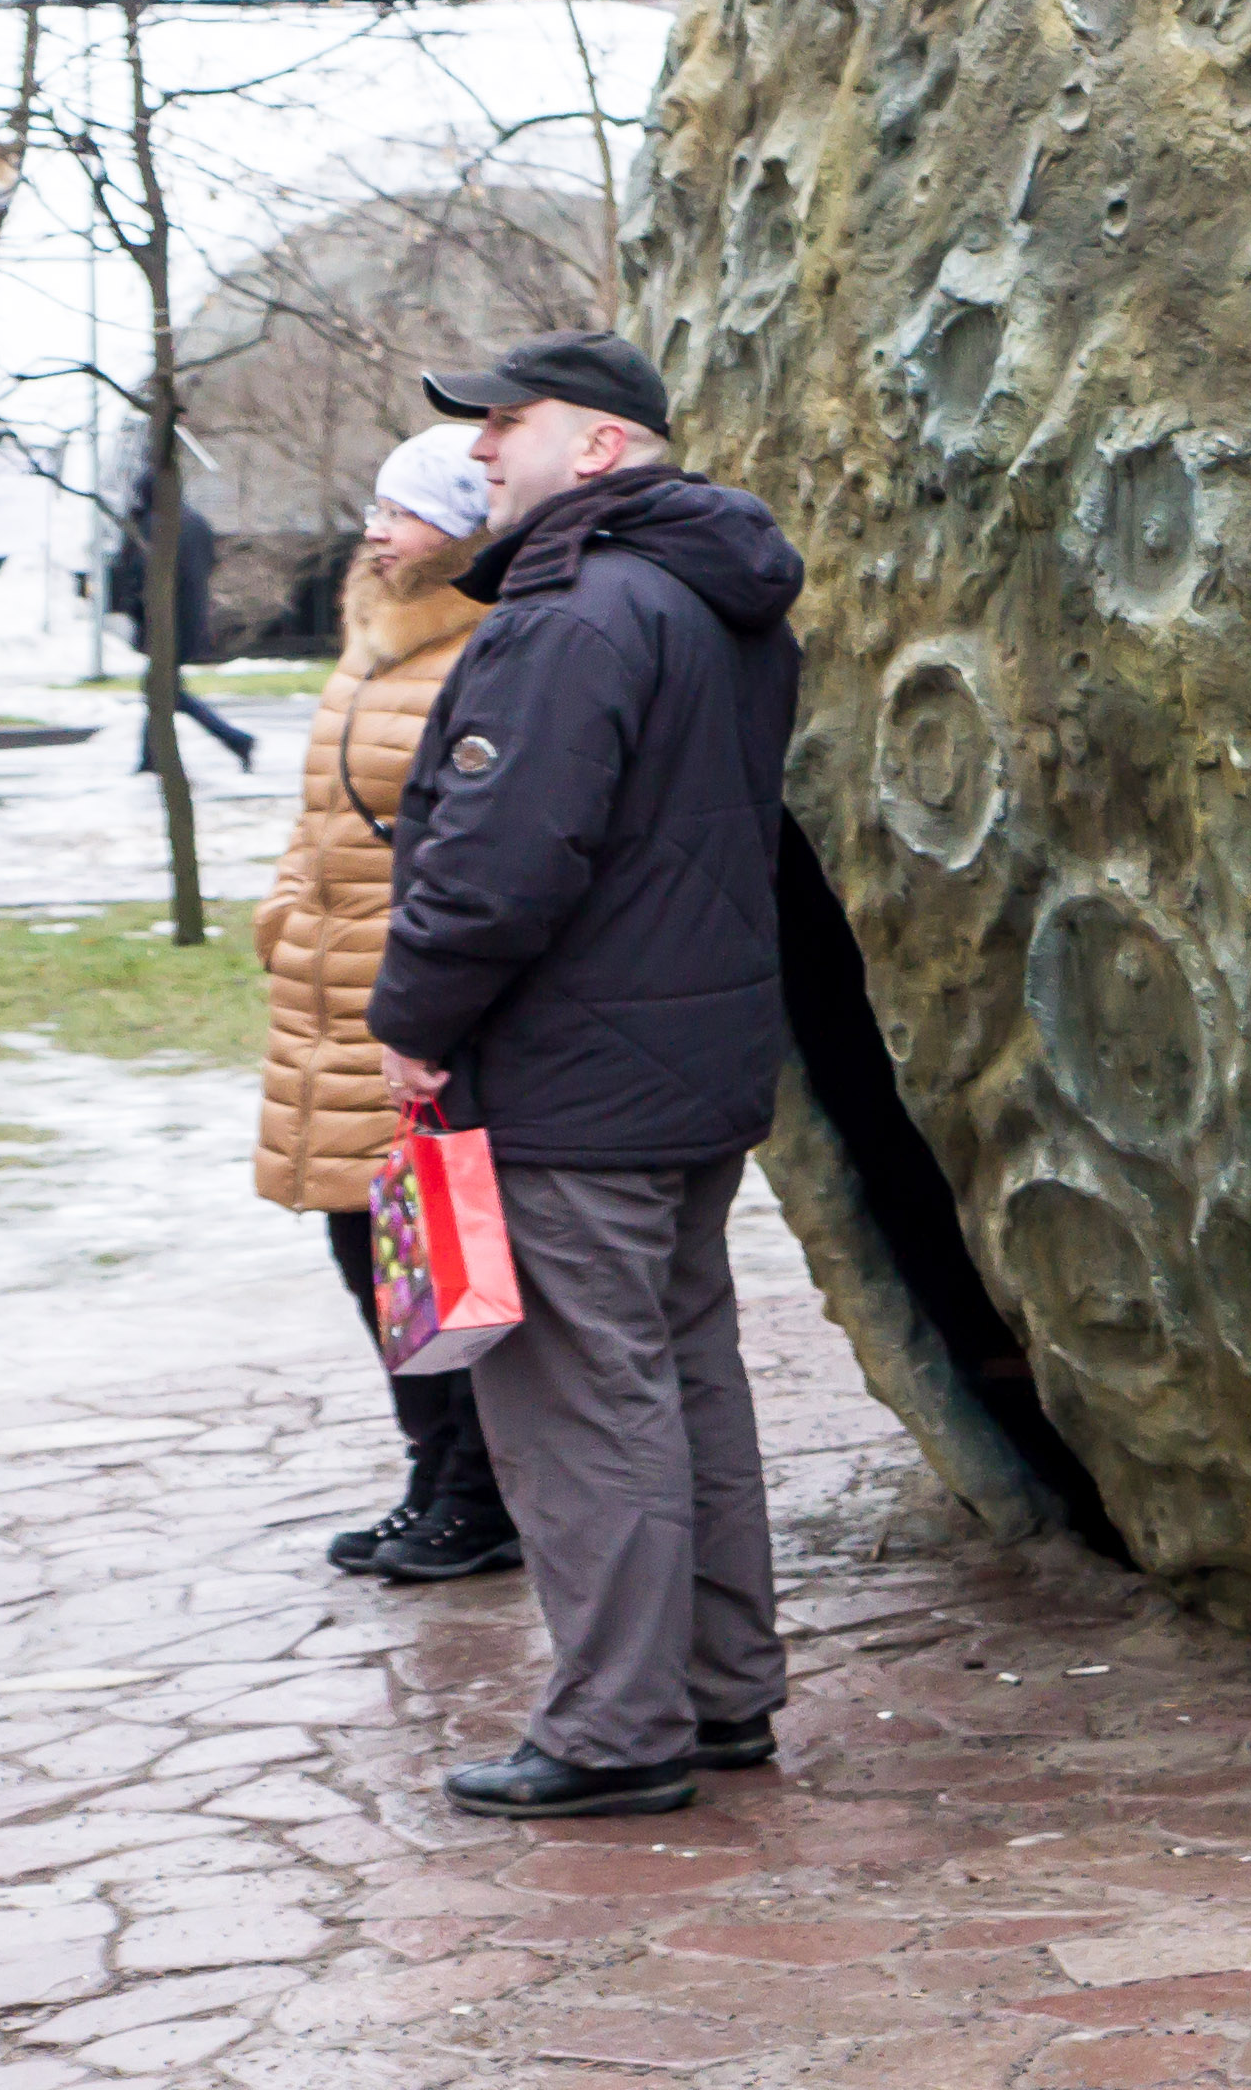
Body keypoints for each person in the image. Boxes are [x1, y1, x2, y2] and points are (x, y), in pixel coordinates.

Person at [365, 329, 806, 1822]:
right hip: (686, 1061)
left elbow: (497, 867)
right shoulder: (707, 595)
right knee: (682, 1374)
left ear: (602, 447)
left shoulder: (574, 616)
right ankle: (717, 1690)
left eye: (508, 420)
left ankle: (619, 1731)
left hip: (573, 1076)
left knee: (580, 1403)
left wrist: (412, 1020)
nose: (481, 448)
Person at [253, 424, 515, 1582]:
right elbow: (319, 821)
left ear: (462, 531)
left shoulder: (483, 651)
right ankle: (434, 1474)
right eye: (377, 506)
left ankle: (479, 1490)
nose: (376, 528)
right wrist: (280, 920)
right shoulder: (370, 650)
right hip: (326, 998)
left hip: (405, 1003)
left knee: (432, 1251)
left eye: (404, 511)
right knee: (365, 1246)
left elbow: (470, 846)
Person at [104, 458, 259, 772]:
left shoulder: (153, 527)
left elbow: (136, 575)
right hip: (191, 619)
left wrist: (133, 610)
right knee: (161, 689)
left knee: (164, 689)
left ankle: (234, 739)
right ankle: (152, 757)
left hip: (164, 623)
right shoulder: (196, 522)